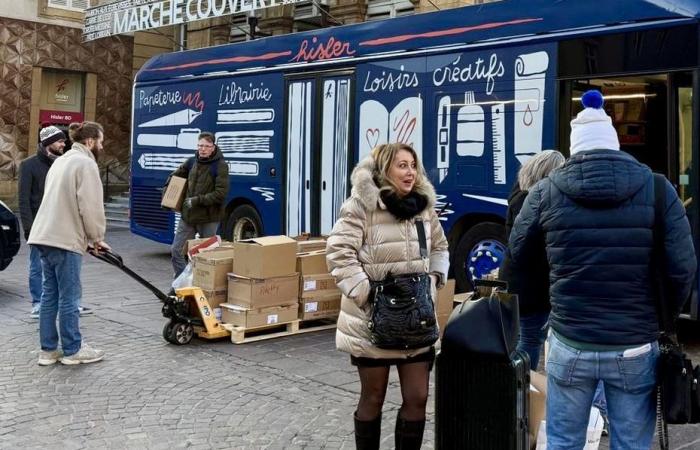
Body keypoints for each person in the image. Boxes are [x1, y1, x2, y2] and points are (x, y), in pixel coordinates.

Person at [508, 90, 696, 449]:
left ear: (575, 146)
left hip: (569, 339)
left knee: (563, 440)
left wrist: (558, 280)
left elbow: (519, 253)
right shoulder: (657, 188)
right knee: (630, 442)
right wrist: (662, 317)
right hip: (635, 343)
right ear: (615, 143)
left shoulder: (545, 191)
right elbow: (683, 267)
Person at [326, 143, 449, 450]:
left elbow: (439, 247)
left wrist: (432, 283)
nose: (410, 172)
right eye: (402, 165)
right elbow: (339, 252)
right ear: (384, 170)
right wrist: (367, 295)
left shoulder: (424, 207)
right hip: (372, 322)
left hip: (416, 319)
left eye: (413, 165)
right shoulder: (361, 206)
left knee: (418, 397)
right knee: (373, 397)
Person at [28, 121, 110, 366]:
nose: (102, 147)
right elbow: (91, 206)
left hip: (44, 235)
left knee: (50, 295)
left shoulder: (61, 161)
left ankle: (48, 350)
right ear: (91, 141)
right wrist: (97, 238)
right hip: (64, 239)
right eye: (101, 141)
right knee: (70, 297)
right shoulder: (85, 164)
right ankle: (73, 349)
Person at [499, 149, 564, 370]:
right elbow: (533, 249)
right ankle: (523, 389)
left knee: (522, 338)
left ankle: (520, 388)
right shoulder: (534, 202)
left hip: (517, 283)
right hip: (530, 287)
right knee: (529, 340)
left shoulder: (519, 195)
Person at [18, 126, 66, 319]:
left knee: (63, 264)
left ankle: (66, 302)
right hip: (38, 225)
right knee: (36, 265)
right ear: (48, 143)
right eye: (60, 141)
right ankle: (38, 302)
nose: (64, 144)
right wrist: (29, 228)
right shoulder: (28, 165)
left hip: (60, 224)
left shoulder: (63, 163)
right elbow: (23, 199)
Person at [168, 131, 229, 279]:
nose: (202, 149)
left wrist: (196, 200)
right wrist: (169, 193)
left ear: (213, 147)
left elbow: (220, 194)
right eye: (200, 145)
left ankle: (204, 284)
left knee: (206, 255)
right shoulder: (191, 162)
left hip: (209, 217)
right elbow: (175, 177)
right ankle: (182, 283)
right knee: (176, 250)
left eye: (206, 146)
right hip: (188, 215)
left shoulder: (220, 166)